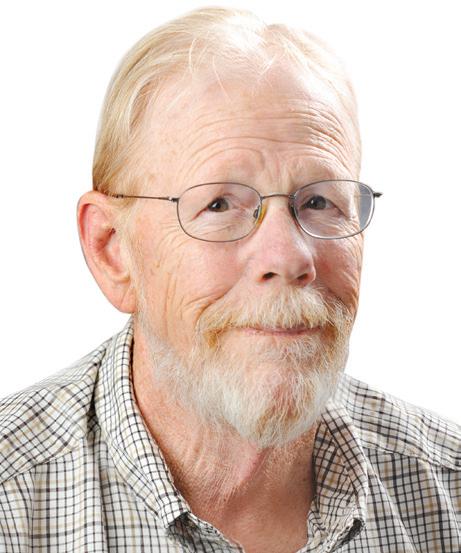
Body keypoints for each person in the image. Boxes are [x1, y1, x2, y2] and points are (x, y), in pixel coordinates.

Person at [0, 6, 459, 552]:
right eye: (219, 204)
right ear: (112, 250)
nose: (289, 257)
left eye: (319, 201)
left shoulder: (449, 492)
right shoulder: (13, 501)